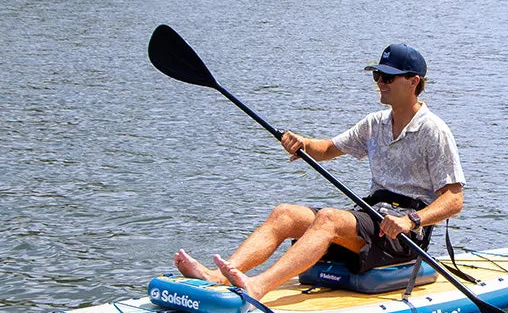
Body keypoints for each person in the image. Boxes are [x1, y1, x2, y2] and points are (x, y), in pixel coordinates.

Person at [174, 42, 465, 300]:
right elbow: (327, 149)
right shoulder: (375, 123)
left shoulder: (433, 130)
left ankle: (259, 286)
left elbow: (454, 200)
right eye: (377, 75)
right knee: (284, 213)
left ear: (414, 82)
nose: (380, 82)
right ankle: (219, 276)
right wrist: (302, 143)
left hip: (404, 235)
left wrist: (411, 221)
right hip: (370, 215)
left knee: (328, 218)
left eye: (388, 77)